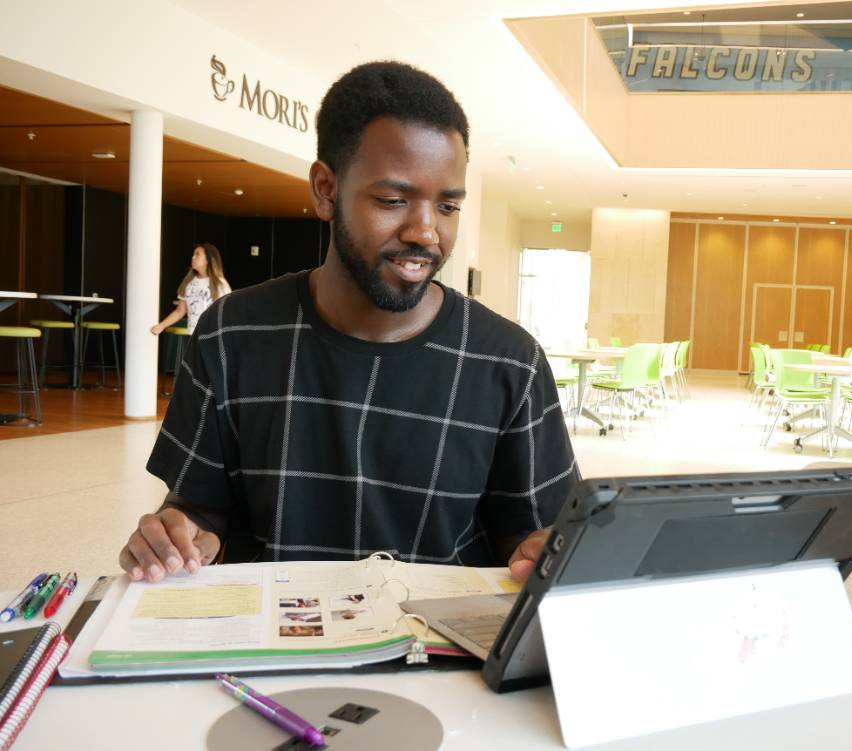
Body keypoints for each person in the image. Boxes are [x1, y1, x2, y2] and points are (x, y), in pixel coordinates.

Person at [120, 61, 578, 586]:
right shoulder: (232, 335)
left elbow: (529, 534)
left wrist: (547, 549)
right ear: (325, 189)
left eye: (447, 206)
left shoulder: (509, 361)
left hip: (438, 657)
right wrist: (181, 532)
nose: (426, 232)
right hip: (270, 651)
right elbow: (200, 505)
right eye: (393, 200)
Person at [150, 243, 232, 336]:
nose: (193, 257)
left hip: (213, 336)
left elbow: (227, 312)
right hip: (193, 335)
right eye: (193, 254)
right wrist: (161, 326)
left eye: (197, 254)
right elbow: (180, 310)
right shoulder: (188, 282)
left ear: (208, 259)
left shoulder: (220, 284)